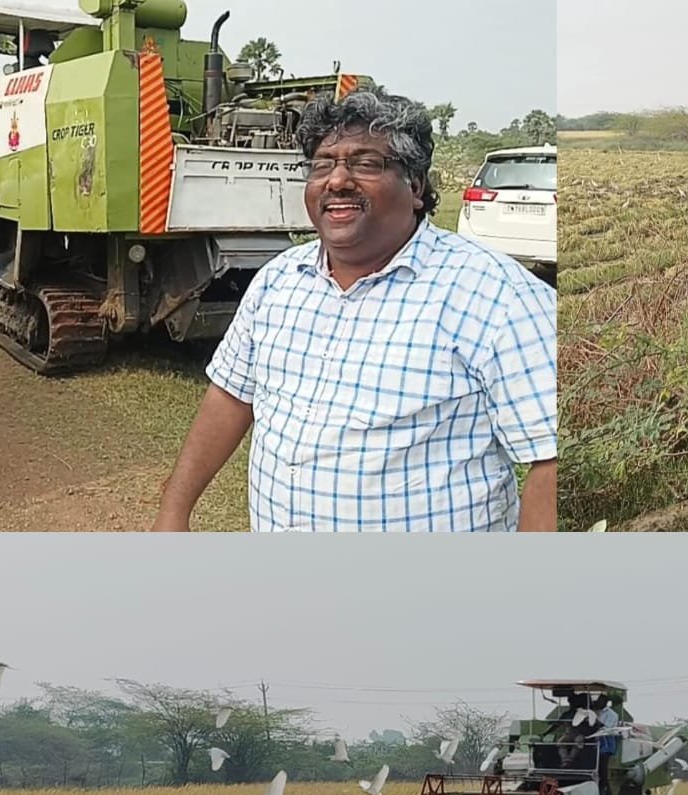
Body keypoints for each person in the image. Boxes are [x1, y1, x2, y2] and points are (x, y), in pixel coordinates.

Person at [155, 88, 557, 532]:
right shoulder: (278, 281)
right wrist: (174, 512)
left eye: (365, 164)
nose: (337, 181)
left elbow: (551, 459)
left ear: (416, 186)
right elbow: (231, 396)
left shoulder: (497, 296)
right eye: (321, 165)